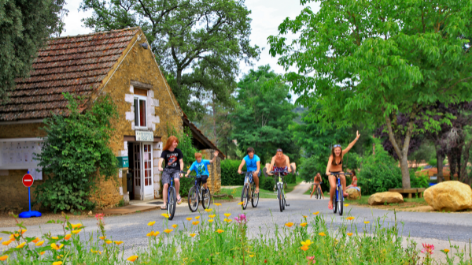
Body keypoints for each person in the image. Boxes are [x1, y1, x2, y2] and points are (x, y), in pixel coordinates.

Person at [325, 131, 360, 210]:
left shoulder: (342, 154)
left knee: (343, 176)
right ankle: (330, 200)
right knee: (333, 186)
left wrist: (356, 138)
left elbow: (349, 146)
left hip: (339, 172)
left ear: (340, 150)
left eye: (339, 150)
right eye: (336, 150)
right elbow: (328, 165)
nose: (337, 151)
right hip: (331, 173)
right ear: (333, 151)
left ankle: (343, 192)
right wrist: (327, 172)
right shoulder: (331, 157)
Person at [158, 136, 184, 209]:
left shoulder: (178, 151)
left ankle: (177, 195)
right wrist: (160, 166)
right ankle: (164, 203)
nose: (176, 143)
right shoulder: (165, 152)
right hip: (167, 170)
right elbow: (161, 160)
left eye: (176, 142)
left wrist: (181, 171)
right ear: (170, 142)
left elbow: (181, 162)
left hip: (176, 170)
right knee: (165, 185)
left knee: (176, 180)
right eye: (174, 142)